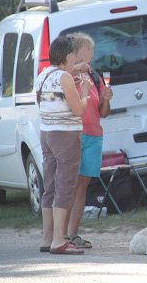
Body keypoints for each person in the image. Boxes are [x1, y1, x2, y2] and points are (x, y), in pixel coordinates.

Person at [35, 36, 92, 255]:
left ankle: (47, 237)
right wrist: (85, 91)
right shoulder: (64, 77)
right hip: (65, 135)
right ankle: (59, 239)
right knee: (65, 185)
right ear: (67, 55)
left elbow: (53, 100)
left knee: (49, 185)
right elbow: (78, 109)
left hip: (46, 134)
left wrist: (74, 75)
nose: (75, 60)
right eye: (74, 56)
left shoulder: (43, 76)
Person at [64, 32, 113, 249]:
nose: (89, 63)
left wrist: (105, 99)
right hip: (73, 135)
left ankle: (73, 234)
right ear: (73, 55)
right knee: (69, 185)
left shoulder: (94, 77)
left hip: (93, 136)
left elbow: (104, 112)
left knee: (82, 186)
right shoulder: (65, 76)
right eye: (85, 58)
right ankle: (61, 234)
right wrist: (75, 71)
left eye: (91, 58)